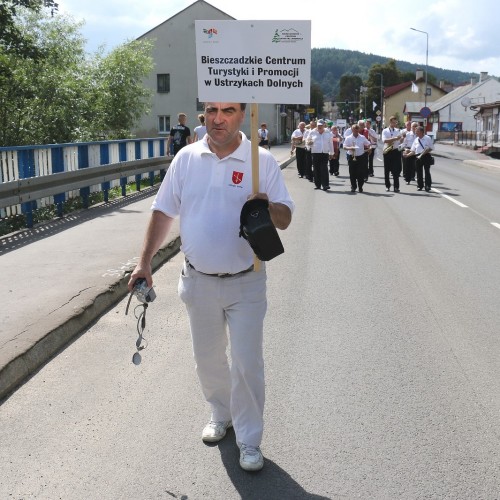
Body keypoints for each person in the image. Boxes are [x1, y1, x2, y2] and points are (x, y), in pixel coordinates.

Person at [128, 102, 294, 473]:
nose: (218, 118)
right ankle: (222, 414)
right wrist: (145, 262)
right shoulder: (187, 158)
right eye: (212, 110)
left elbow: (285, 218)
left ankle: (250, 440)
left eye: (228, 111)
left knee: (247, 363)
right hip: (198, 280)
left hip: (246, 281)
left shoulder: (260, 161)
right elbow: (163, 211)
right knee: (207, 359)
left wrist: (267, 207)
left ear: (242, 116)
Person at [404, 125, 434, 191]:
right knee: (419, 172)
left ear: (421, 132)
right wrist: (407, 155)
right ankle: (420, 186)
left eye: (417, 131)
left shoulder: (427, 138)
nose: (415, 132)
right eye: (415, 131)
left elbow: (431, 148)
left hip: (426, 156)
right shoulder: (416, 140)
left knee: (427, 171)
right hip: (417, 156)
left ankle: (428, 186)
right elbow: (413, 151)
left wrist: (424, 152)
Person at [343, 123, 371, 193]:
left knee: (360, 173)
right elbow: (344, 147)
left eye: (356, 130)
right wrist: (350, 148)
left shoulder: (362, 137)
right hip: (351, 156)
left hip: (360, 157)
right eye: (354, 130)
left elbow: (368, 144)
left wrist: (369, 148)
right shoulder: (348, 138)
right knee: (352, 173)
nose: (355, 131)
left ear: (358, 130)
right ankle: (353, 186)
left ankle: (360, 186)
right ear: (352, 130)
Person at [307, 119, 334, 191]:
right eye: (318, 125)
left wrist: (331, 153)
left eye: (321, 125)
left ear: (324, 125)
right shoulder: (312, 132)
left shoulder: (328, 132)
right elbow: (308, 141)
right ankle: (317, 185)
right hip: (315, 152)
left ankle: (325, 185)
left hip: (324, 153)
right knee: (316, 169)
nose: (320, 127)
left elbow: (330, 143)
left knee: (324, 169)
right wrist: (309, 145)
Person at [382, 116, 403, 192]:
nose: (395, 124)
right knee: (387, 170)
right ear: (390, 122)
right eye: (393, 122)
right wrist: (395, 138)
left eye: (396, 122)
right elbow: (384, 140)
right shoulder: (385, 131)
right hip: (387, 151)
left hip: (395, 151)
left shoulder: (398, 130)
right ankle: (387, 185)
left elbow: (400, 141)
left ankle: (396, 187)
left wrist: (402, 139)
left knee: (396, 170)